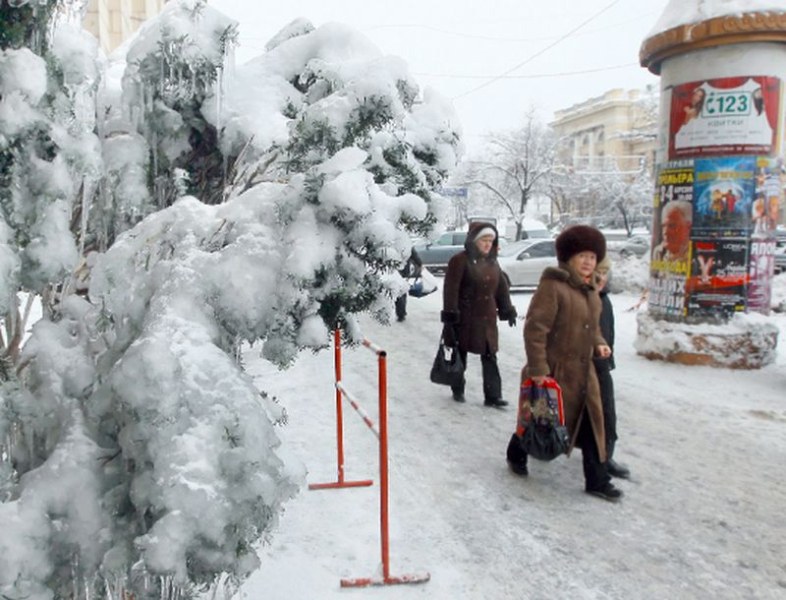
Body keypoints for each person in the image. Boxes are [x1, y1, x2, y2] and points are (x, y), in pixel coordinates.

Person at [506, 224, 623, 502]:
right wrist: (538, 371)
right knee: (540, 421)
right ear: (569, 257)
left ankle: (597, 479)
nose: (588, 262)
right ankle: (517, 452)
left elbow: (590, 326)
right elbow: (535, 330)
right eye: (583, 256)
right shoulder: (553, 286)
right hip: (553, 372)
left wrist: (599, 342)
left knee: (595, 424)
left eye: (593, 258)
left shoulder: (590, 289)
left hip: (586, 373)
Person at [441, 222, 517, 408]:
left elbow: (501, 289)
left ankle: (493, 396)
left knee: (490, 356)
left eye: (490, 240)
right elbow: (451, 289)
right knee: (461, 355)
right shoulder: (459, 260)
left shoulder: (492, 262)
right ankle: (457, 388)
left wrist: (507, 310)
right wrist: (451, 315)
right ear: (474, 240)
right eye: (484, 239)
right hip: (465, 318)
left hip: (487, 318)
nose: (487, 244)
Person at [593, 256, 630, 480]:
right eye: (598, 273)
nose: (602, 278)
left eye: (605, 273)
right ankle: (529, 445)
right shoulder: (582, 298)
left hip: (601, 366)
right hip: (577, 366)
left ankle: (605, 457)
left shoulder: (604, 299)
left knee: (607, 415)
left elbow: (607, 332)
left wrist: (608, 358)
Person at [395, 246, 422, 322]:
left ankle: (401, 313)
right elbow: (414, 255)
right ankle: (401, 312)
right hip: (404, 270)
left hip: (396, 270)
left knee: (399, 292)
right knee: (402, 291)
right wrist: (419, 263)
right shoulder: (406, 241)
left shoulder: (391, 239)